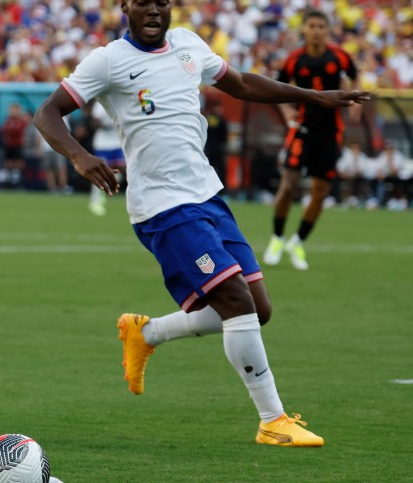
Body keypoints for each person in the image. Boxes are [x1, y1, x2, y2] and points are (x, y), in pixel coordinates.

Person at [34, 0, 369, 447]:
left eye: (162, 3)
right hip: (162, 207)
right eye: (143, 3)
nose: (153, 11)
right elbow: (48, 113)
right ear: (124, 8)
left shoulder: (189, 44)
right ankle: (273, 421)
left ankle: (146, 332)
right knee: (236, 300)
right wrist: (78, 154)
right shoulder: (108, 60)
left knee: (257, 308)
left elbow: (244, 84)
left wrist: (315, 97)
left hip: (207, 195)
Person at [263, 9, 359, 270]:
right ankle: (277, 237)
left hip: (330, 133)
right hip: (302, 130)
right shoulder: (294, 60)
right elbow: (277, 89)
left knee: (320, 192)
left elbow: (354, 74)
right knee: (289, 185)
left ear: (327, 30)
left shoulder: (340, 56)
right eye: (312, 25)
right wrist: (286, 112)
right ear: (303, 29)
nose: (316, 30)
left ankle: (298, 241)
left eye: (321, 26)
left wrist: (353, 101)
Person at [88, 101, 125, 215]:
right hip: (103, 144)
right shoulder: (100, 104)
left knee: (124, 170)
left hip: (117, 142)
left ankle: (105, 189)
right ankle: (95, 202)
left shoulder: (120, 102)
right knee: (101, 172)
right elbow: (94, 121)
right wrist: (104, 124)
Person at [0, 103, 28, 189]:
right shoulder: (8, 121)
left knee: (19, 164)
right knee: (8, 163)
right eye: (11, 110)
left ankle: (19, 182)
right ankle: (8, 183)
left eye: (15, 110)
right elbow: (3, 131)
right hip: (9, 145)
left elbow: (18, 132)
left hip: (18, 145)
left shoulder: (21, 121)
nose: (13, 112)